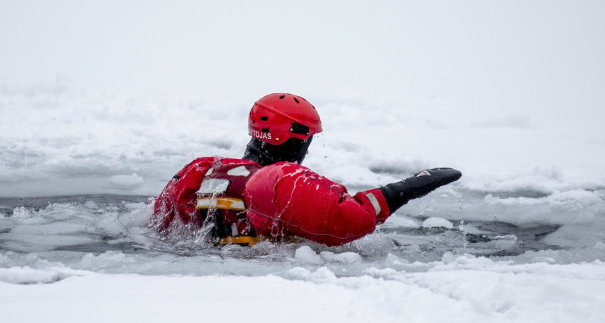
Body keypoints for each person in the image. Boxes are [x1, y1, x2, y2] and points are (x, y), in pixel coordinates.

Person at [151, 92, 461, 247]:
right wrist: (401, 190)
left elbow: (157, 223)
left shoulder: (205, 169)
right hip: (259, 285)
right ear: (297, 140)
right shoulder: (278, 180)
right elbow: (347, 221)